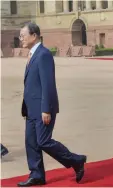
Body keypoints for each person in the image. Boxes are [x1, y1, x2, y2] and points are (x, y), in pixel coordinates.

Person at [18, 22, 86, 187]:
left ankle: (76, 160)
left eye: (23, 36)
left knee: (43, 141)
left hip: (43, 109)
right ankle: (37, 175)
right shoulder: (33, 54)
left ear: (34, 36)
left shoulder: (43, 54)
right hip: (31, 109)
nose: (21, 39)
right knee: (31, 142)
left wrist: (46, 109)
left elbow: (48, 84)